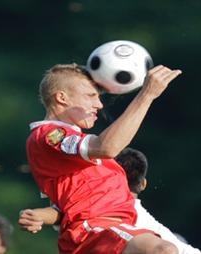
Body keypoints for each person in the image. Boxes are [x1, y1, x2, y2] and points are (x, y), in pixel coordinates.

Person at [25, 63, 182, 253]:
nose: (99, 105)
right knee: (161, 250)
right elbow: (107, 147)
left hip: (108, 230)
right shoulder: (49, 134)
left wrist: (41, 215)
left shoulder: (71, 149)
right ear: (62, 97)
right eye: (91, 96)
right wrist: (146, 95)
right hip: (96, 230)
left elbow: (67, 206)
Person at [19, 148, 201, 254]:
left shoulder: (102, 207)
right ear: (144, 184)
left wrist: (37, 215)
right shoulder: (107, 209)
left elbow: (63, 213)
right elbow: (64, 213)